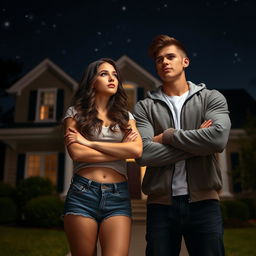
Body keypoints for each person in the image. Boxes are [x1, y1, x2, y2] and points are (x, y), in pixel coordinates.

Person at [133, 35, 231, 256]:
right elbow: (143, 153)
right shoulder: (144, 107)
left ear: (185, 62)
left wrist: (168, 136)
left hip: (204, 204)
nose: (164, 62)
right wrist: (199, 143)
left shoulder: (211, 98)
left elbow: (218, 140)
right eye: (159, 59)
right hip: (160, 207)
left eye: (170, 57)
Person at [63, 58, 143, 256]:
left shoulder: (126, 117)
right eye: (104, 74)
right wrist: (119, 149)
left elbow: (136, 151)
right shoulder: (75, 113)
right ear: (92, 81)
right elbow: (77, 153)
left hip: (118, 196)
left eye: (115, 74)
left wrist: (90, 143)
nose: (112, 78)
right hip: (83, 193)